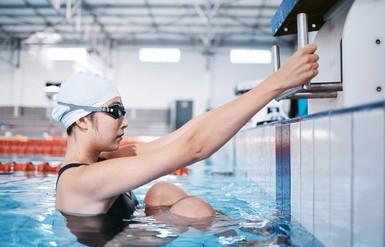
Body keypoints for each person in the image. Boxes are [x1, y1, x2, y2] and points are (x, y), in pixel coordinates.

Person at [52, 44, 319, 224]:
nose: (124, 122)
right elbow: (194, 148)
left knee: (162, 191)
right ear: (84, 120)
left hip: (134, 236)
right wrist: (277, 83)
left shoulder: (103, 162)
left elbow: (187, 133)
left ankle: (243, 235)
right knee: (194, 209)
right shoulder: (79, 181)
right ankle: (247, 246)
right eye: (115, 110)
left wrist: (270, 88)